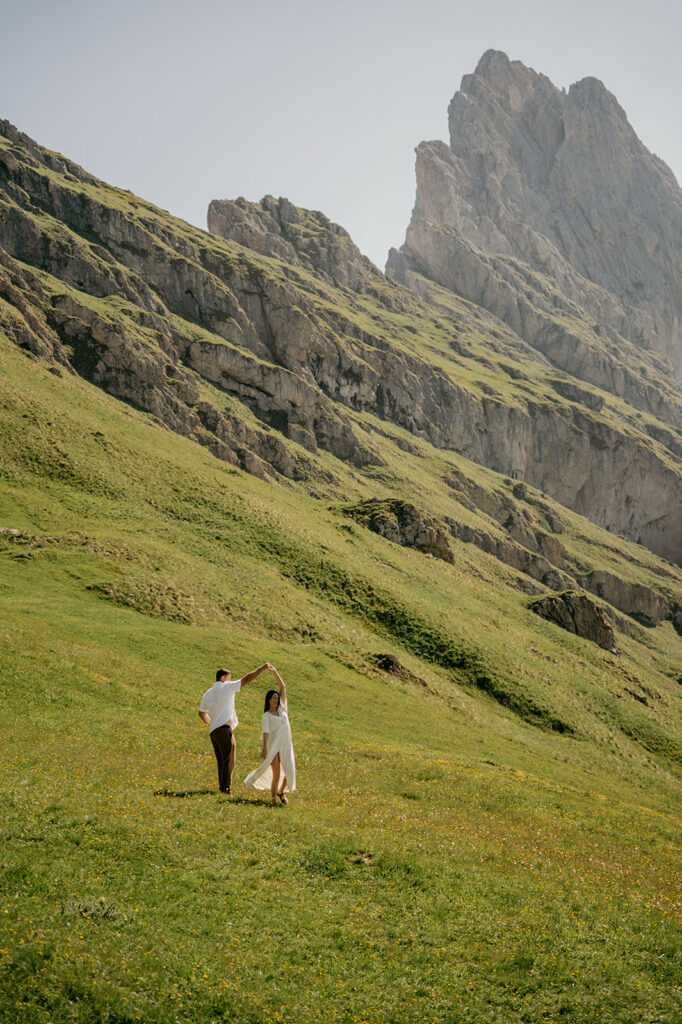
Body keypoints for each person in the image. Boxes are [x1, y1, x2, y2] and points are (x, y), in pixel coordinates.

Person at [198, 662, 270, 794]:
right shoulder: (226, 687)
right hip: (224, 730)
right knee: (229, 761)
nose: (231, 680)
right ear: (223, 678)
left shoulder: (208, 693)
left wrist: (211, 723)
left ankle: (222, 788)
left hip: (213, 731)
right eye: (229, 677)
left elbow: (201, 712)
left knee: (222, 761)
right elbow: (246, 679)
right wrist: (262, 668)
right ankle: (226, 789)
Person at [244, 665, 296, 804]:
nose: (276, 700)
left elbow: (283, 687)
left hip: (286, 744)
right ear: (268, 700)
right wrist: (265, 748)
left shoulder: (282, 708)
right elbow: (266, 732)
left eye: (277, 698)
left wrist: (275, 672)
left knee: (290, 772)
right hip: (274, 746)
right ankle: (273, 798)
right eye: (274, 698)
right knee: (277, 774)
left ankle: (281, 791)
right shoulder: (266, 716)